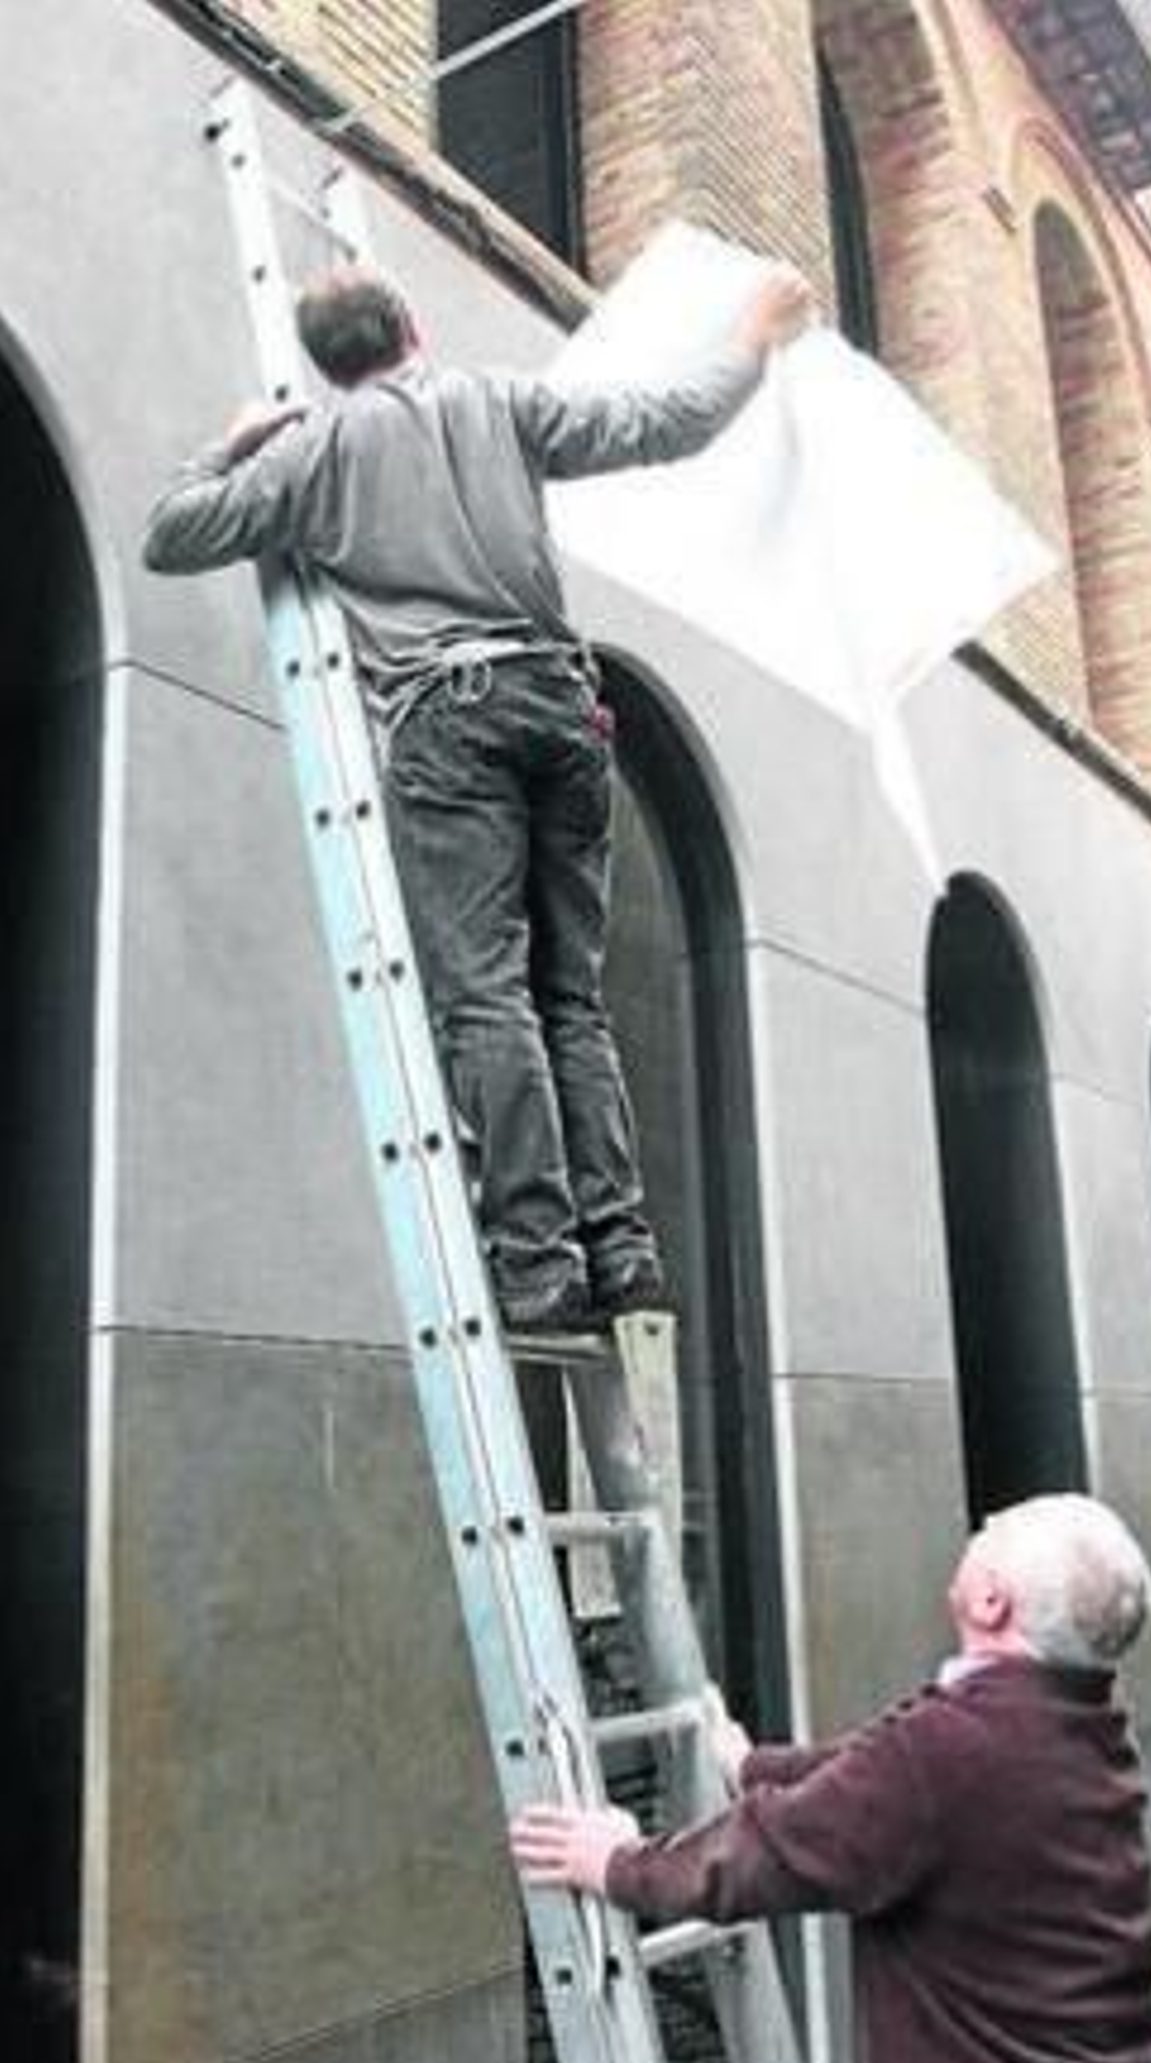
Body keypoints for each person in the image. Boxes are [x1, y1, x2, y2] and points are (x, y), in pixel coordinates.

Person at [143, 257, 814, 1334]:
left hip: (447, 719)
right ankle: (621, 1251)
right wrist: (754, 336)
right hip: (562, 707)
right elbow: (671, 421)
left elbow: (170, 533)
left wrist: (233, 441)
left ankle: (539, 1264)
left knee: (486, 995)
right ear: (412, 327)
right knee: (570, 999)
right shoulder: (500, 400)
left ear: (325, 367)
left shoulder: (312, 455)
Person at [511, 1493, 1151, 2063]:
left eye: (992, 1531)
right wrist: (750, 1766)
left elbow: (770, 1852)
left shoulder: (952, 1748)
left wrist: (618, 1863)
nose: (978, 1529)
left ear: (991, 1601)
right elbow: (879, 1775)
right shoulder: (1076, 1723)